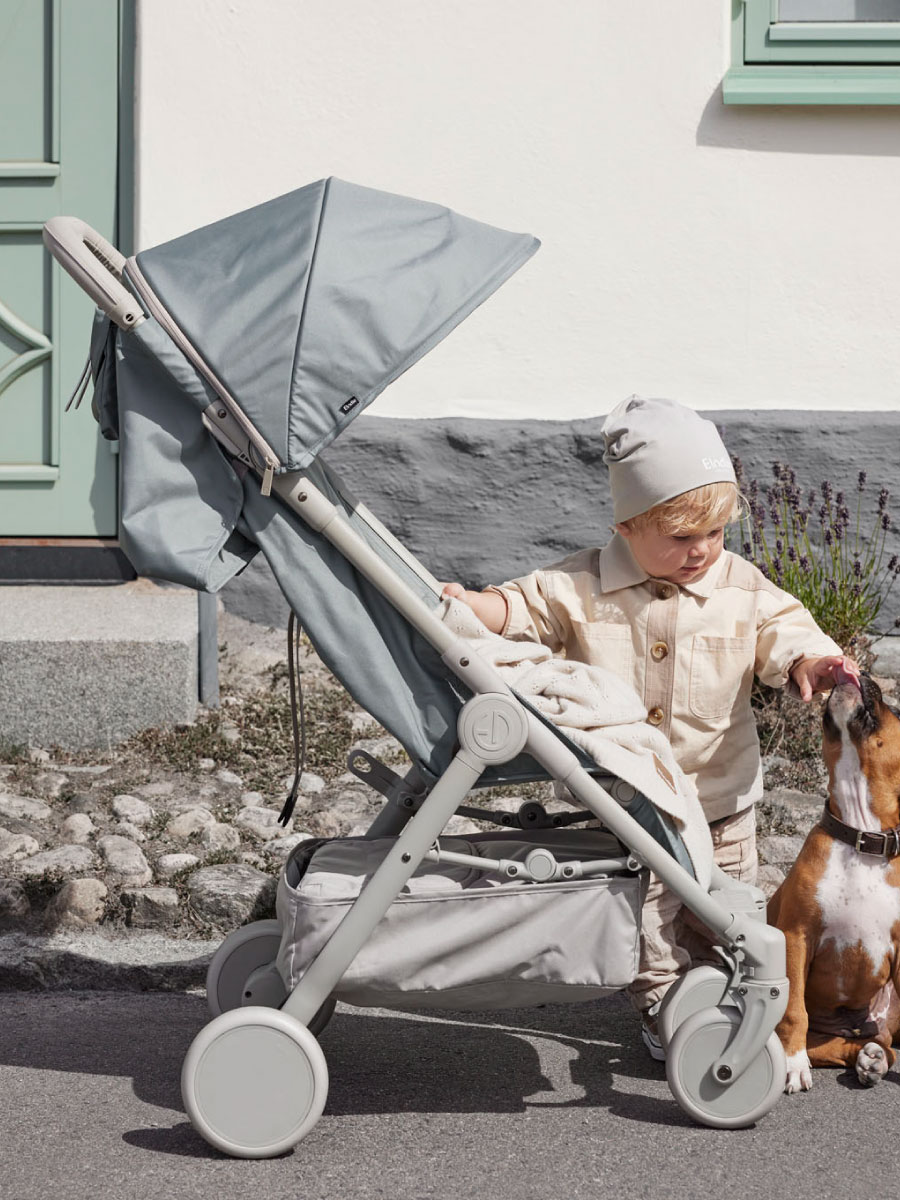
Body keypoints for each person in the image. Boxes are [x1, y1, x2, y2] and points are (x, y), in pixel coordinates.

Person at [442, 394, 854, 1060]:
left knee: (725, 913)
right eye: (683, 536)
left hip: (722, 801)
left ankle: (730, 998)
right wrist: (477, 606)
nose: (702, 552)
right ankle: (664, 1007)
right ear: (629, 526)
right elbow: (521, 606)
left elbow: (784, 627)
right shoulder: (579, 586)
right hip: (635, 805)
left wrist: (810, 659)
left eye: (715, 534)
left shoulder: (739, 586)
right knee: (653, 923)